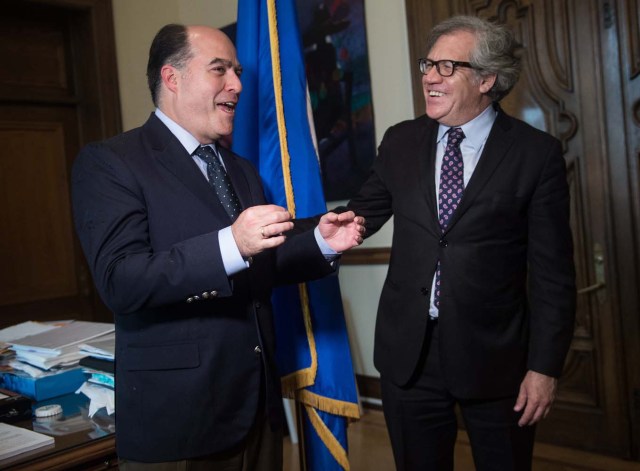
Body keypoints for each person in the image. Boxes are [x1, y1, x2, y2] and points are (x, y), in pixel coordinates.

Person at [71, 24, 365, 470]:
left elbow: (259, 263)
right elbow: (121, 280)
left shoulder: (241, 169)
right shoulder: (111, 162)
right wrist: (230, 243)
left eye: (238, 71)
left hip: (257, 412)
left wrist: (320, 244)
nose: (239, 85)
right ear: (173, 78)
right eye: (220, 70)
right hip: (180, 425)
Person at [336, 15, 575, 470]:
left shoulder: (534, 154)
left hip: (496, 361)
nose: (429, 76)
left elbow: (552, 275)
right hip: (409, 357)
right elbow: (357, 214)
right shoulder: (401, 141)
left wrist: (544, 369)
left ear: (487, 79)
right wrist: (291, 233)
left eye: (447, 67)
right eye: (428, 64)